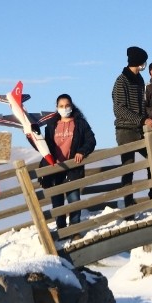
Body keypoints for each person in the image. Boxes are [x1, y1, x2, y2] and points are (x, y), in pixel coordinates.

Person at [40, 94, 96, 233]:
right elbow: (45, 146)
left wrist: (82, 152)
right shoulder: (51, 125)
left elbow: (91, 140)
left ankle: (75, 231)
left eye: (67, 105)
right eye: (61, 106)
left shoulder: (80, 123)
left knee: (74, 200)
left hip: (72, 168)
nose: (64, 108)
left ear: (71, 106)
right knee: (57, 203)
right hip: (55, 169)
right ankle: (61, 230)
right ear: (57, 108)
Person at [112, 46, 151, 210]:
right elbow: (119, 108)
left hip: (140, 129)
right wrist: (141, 120)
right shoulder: (121, 81)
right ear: (139, 61)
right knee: (128, 169)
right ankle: (129, 207)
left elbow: (142, 103)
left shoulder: (139, 79)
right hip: (125, 130)